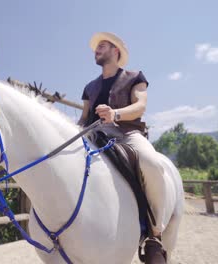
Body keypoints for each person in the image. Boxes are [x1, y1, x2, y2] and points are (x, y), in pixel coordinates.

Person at [78, 32, 168, 262]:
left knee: (153, 164)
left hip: (126, 133)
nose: (96, 49)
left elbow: (140, 106)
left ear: (115, 51)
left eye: (102, 45)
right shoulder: (89, 86)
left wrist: (115, 113)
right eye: (96, 47)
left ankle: (155, 234)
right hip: (91, 135)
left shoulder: (134, 76)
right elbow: (84, 117)